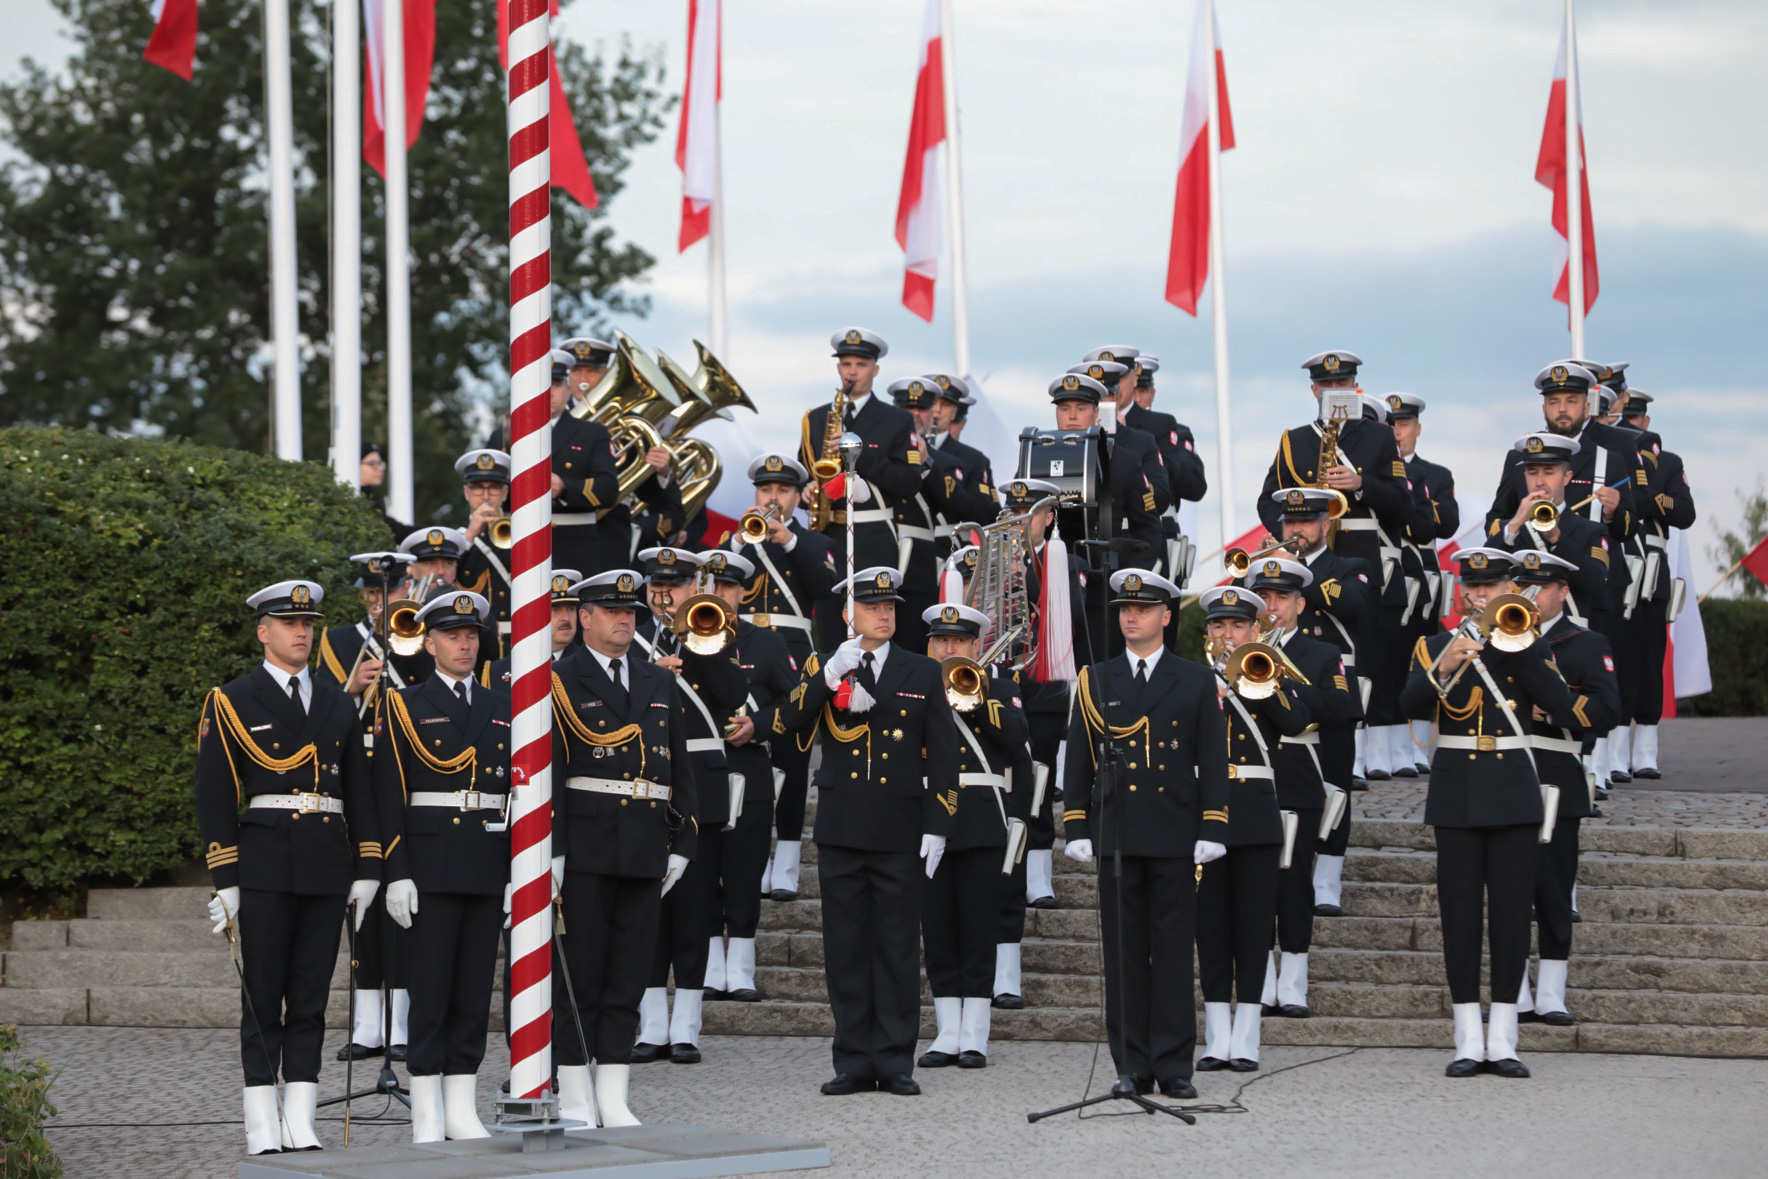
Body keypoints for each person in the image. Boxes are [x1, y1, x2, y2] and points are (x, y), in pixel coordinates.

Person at [195, 581, 381, 1155]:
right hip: (267, 865)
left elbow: (360, 788)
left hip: (326, 862)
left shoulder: (333, 700)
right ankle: (260, 1120)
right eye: (289, 623)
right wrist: (227, 881)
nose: (302, 632)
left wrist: (369, 863)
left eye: (309, 623)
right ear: (263, 631)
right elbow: (215, 795)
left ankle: (300, 1115)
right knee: (263, 995)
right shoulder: (232, 700)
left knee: (310, 998)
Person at [763, 567, 958, 1096]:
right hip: (843, 825)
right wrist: (829, 677)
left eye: (890, 605)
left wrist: (939, 822)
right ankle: (851, 1059)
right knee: (845, 949)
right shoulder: (828, 667)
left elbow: (944, 754)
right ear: (851, 615)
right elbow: (785, 722)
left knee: (895, 948)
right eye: (873, 607)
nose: (885, 613)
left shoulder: (921, 672)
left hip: (899, 825)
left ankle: (895, 1060)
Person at [1400, 548, 1581, 1079]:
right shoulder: (1433, 645)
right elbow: (1406, 704)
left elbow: (1562, 705)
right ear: (1461, 594)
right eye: (1473, 588)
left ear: (1509, 592)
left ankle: (1503, 1039)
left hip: (1514, 792)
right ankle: (1466, 1038)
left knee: (1508, 917)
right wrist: (1447, 663)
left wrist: (1520, 645)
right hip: (1456, 792)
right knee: (1458, 920)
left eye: (1492, 588)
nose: (1481, 597)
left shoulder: (1530, 641)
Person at [1061, 568, 1228, 1100]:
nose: (1129, 616)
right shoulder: (1095, 679)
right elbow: (1078, 758)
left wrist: (1213, 823)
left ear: (1165, 615)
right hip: (1119, 833)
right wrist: (1077, 823)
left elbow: (1214, 759)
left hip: (1175, 832)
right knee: (1124, 954)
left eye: (1141, 608)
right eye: (1123, 609)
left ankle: (1175, 1064)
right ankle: (1131, 1063)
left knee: (1175, 952)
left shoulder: (1197, 679)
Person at [548, 570, 696, 1127]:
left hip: (642, 842)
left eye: (630, 611)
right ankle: (575, 1093)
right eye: (612, 610)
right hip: (584, 845)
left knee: (629, 975)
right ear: (584, 617)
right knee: (580, 975)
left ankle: (612, 1089)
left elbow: (678, 763)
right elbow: (551, 771)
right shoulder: (559, 680)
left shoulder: (655, 680)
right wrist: (553, 850)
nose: (624, 619)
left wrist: (685, 838)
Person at [372, 590, 508, 1143]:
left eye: (472, 635)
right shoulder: (403, 704)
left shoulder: (502, 706)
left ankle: (461, 1101)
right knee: (429, 987)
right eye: (452, 635)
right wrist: (396, 870)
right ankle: (426, 1102)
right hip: (427, 862)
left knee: (474, 990)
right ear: (429, 644)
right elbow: (388, 795)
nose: (464, 644)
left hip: (486, 858)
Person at [1257, 350, 1413, 785]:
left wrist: (1362, 484)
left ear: (1355, 389)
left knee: (1363, 656)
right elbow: (1267, 498)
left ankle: (1358, 756)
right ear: (1313, 391)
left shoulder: (1379, 438)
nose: (1333, 393)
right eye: (1325, 387)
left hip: (1359, 553)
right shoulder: (1294, 440)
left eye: (1342, 386)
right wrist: (1288, 540)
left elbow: (1404, 505)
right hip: (1303, 552)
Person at [1483, 362, 1639, 786]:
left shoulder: (1605, 470)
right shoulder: (1518, 478)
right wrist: (1514, 525)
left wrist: (1567, 529)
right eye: (1555, 402)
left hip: (1577, 607)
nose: (1538, 480)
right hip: (1521, 611)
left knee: (1579, 686)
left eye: (1571, 401)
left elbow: (1610, 559)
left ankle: (1592, 768)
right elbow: (1491, 545)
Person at [628, 548, 748, 1065]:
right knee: (650, 910)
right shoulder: (630, 643)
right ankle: (652, 1026)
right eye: (659, 584)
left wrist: (697, 643)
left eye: (677, 585)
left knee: (695, 907)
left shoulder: (711, 633)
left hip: (700, 780)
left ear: (693, 587)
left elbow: (734, 692)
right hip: (646, 783)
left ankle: (687, 1027)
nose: (666, 593)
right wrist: (651, 669)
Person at [713, 453, 839, 902]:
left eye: (782, 491)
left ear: (796, 498)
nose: (773, 498)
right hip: (739, 648)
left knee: (792, 752)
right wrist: (740, 543)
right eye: (766, 490)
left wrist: (788, 540)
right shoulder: (735, 539)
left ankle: (786, 860)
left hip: (793, 652)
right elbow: (713, 588)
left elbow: (827, 590)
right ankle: (743, 852)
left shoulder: (814, 541)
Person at [1195, 586, 1308, 1073]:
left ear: (1255, 631)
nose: (1228, 635)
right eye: (1219, 626)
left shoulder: (1268, 674)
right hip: (1206, 817)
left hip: (1257, 815)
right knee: (1212, 929)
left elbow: (1297, 721)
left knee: (1254, 927)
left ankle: (1248, 1037)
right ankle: (1217, 1036)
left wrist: (1259, 679)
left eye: (1237, 626)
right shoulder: (1195, 680)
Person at [1505, 551, 1621, 1027]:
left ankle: (1551, 991)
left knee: (1554, 888)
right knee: (1511, 888)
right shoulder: (1501, 638)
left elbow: (1608, 710)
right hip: (1506, 772)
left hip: (1556, 769)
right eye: (1522, 587)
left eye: (1540, 588)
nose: (1529, 596)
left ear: (1563, 591)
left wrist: (1554, 710)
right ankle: (1518, 991)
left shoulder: (1585, 643)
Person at [916, 603, 1033, 1070]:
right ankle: (947, 1032)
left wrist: (976, 695)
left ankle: (976, 1034)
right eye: (943, 641)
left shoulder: (1000, 687)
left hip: (982, 820)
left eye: (960, 642)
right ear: (929, 645)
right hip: (929, 821)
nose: (950, 648)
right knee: (939, 928)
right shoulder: (917, 689)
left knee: (979, 927)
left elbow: (1018, 739)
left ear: (975, 646)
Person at [1246, 556, 1359, 1019]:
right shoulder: (1238, 647)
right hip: (1250, 776)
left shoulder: (1322, 653)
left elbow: (1344, 706)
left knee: (1294, 883)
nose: (1273, 606)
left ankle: (1293, 982)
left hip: (1297, 772)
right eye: (1266, 598)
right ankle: (1260, 980)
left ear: (1299, 603)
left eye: (1282, 598)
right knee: (1254, 886)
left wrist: (1284, 684)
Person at [696, 550, 799, 1003]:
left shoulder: (765, 642)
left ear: (743, 592)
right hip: (697, 768)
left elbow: (795, 703)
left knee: (743, 871)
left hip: (747, 768)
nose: (719, 596)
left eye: (727, 588)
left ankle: (740, 968)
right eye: (710, 587)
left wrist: (760, 725)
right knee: (701, 874)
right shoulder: (682, 638)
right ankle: (708, 965)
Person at [1266, 488, 1371, 915]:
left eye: (1305, 522)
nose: (1296, 530)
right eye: (1289, 523)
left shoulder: (1349, 565)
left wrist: (1299, 571)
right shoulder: (1267, 569)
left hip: (1328, 678)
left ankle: (1327, 878)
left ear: (1325, 525)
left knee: (1335, 780)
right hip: (1270, 677)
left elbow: (1355, 605)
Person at [798, 329, 925, 601]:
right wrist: (805, 491)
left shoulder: (897, 420)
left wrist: (859, 454)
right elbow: (802, 474)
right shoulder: (817, 418)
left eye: (861, 365)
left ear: (875, 370)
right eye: (846, 364)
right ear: (838, 367)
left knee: (872, 619)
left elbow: (909, 483)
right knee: (830, 623)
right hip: (826, 536)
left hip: (874, 539)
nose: (852, 372)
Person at [1616, 388, 1695, 779]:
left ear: (1646, 422)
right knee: (1616, 657)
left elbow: (1685, 512)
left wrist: (1651, 498)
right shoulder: (1611, 459)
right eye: (1622, 421)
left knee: (1649, 659)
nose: (1629, 429)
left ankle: (1645, 748)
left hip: (1650, 570)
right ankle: (1613, 749)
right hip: (1617, 566)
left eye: (1634, 422)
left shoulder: (1668, 463)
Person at [1387, 392, 1458, 776]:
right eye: (1391, 424)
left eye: (1403, 424)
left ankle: (1417, 747)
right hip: (1387, 567)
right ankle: (1387, 746)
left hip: (1422, 571)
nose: (1397, 432)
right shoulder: (1379, 469)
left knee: (1423, 654)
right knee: (1386, 658)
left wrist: (1412, 513)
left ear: (1417, 428)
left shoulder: (1436, 475)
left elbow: (1444, 523)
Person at [1489, 435, 1610, 627]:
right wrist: (1513, 526)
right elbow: (1485, 574)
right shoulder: (1509, 529)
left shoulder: (1590, 530)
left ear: (1566, 477)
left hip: (1568, 635)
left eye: (1549, 472)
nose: (1539, 482)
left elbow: (1596, 586)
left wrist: (1556, 538)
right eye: (1531, 472)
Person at [1083, 347, 1207, 508]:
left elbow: (1167, 486)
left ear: (1134, 379)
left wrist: (1123, 434)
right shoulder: (1081, 424)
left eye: (1118, 376)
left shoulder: (1160, 425)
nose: (1110, 384)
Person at [452, 449, 514, 658]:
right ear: (466, 492)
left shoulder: (524, 532)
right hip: (477, 644)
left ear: (505, 493)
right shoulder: (456, 539)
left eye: (494, 488)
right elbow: (445, 579)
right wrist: (470, 534)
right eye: (478, 488)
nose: (486, 496)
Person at [480, 569, 581, 690]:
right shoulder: (497, 671)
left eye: (571, 609)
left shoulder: (591, 665)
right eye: (555, 609)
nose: (566, 618)